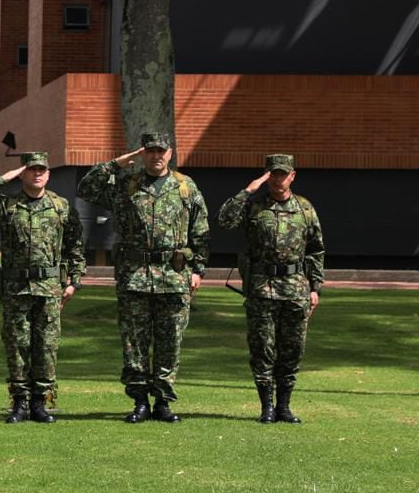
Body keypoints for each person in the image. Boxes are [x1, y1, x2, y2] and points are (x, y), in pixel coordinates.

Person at [77, 133, 210, 423]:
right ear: (142, 153)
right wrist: (115, 165)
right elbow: (86, 189)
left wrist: (198, 270)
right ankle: (139, 401)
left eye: (161, 151)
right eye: (150, 151)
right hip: (134, 275)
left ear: (170, 152)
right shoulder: (126, 184)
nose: (156, 156)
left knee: (169, 340)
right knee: (134, 342)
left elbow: (200, 231)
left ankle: (163, 401)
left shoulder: (186, 187)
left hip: (174, 276)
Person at [0, 151, 85, 424]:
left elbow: (75, 246)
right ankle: (19, 403)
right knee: (17, 345)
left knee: (46, 346)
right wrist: (4, 178)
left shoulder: (61, 206)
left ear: (49, 173)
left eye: (42, 169)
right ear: (24, 173)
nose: (37, 174)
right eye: (32, 169)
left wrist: (74, 281)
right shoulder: (8, 205)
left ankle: (40, 403)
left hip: (49, 288)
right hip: (16, 288)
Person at [218, 154, 324, 424]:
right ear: (267, 175)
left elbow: (315, 251)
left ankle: (284, 407)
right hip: (261, 288)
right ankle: (266, 406)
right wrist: (248, 190)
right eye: (273, 174)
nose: (278, 179)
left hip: (296, 289)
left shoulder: (305, 209)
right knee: (262, 348)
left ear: (292, 176)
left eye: (283, 174)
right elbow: (224, 221)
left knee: (292, 349)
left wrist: (315, 288)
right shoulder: (253, 206)